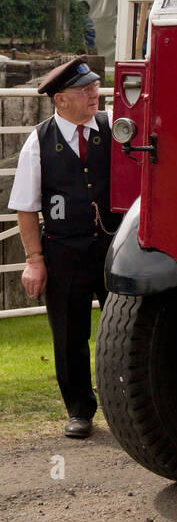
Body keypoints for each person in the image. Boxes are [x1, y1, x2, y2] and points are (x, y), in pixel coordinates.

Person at [10, 57, 119, 437]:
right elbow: (26, 207)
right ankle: (79, 410)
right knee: (69, 335)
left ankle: (126, 408)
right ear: (61, 100)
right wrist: (34, 260)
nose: (95, 94)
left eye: (94, 86)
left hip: (113, 249)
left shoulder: (113, 128)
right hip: (64, 252)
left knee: (125, 331)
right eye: (85, 90)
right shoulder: (38, 142)